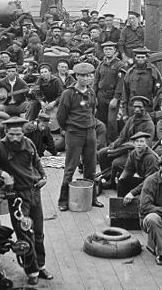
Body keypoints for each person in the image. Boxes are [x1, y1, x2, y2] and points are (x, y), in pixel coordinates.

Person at [0, 117, 53, 285]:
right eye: (12, 134)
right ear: (6, 133)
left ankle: (41, 266)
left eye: (19, 134)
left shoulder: (28, 143)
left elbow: (37, 162)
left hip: (34, 192)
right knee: (24, 235)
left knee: (38, 233)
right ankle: (31, 271)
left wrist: (44, 177)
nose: (16, 138)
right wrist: (3, 174)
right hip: (18, 198)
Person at [56, 62, 103, 211]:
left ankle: (92, 197)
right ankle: (63, 200)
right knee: (71, 166)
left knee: (91, 166)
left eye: (89, 75)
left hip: (90, 131)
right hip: (75, 133)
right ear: (76, 76)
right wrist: (69, 129)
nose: (86, 78)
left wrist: (91, 126)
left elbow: (93, 110)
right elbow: (61, 116)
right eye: (83, 76)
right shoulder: (68, 94)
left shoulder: (91, 92)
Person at [97, 96, 155, 188]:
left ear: (144, 108)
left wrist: (121, 149)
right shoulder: (131, 120)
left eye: (139, 107)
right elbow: (122, 136)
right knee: (102, 153)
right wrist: (115, 145)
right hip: (124, 150)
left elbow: (146, 145)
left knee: (116, 163)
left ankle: (112, 182)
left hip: (137, 153)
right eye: (135, 106)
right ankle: (109, 177)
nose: (136, 109)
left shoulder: (148, 124)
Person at [93, 41, 126, 141]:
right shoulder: (101, 65)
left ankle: (112, 142)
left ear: (115, 51)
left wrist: (116, 98)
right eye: (106, 49)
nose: (108, 51)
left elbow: (121, 83)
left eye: (110, 49)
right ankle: (102, 142)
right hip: (101, 95)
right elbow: (95, 81)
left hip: (112, 96)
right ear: (103, 51)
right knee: (101, 121)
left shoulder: (120, 65)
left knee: (112, 121)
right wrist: (94, 96)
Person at [120, 47, 162, 118]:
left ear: (146, 58)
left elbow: (160, 89)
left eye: (143, 57)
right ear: (135, 58)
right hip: (133, 109)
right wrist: (125, 113)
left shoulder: (153, 71)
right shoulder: (130, 73)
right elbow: (125, 94)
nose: (140, 60)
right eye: (138, 57)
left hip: (148, 108)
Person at [120, 132, 160, 203]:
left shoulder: (151, 157)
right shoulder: (133, 153)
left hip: (155, 185)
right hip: (145, 180)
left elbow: (150, 181)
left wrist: (132, 193)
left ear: (146, 143)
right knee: (122, 181)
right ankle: (121, 203)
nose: (139, 144)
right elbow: (128, 169)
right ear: (133, 143)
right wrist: (122, 177)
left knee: (144, 198)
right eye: (137, 141)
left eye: (142, 141)